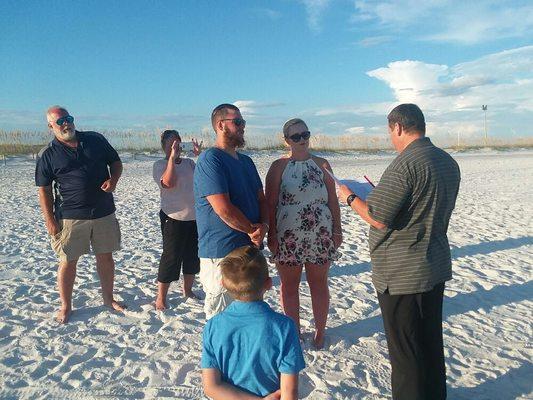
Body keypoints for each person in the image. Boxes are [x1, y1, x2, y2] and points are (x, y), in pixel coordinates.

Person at [338, 104, 461, 400]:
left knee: (406, 353)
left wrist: (350, 196)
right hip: (434, 262)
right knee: (430, 341)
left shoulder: (405, 163)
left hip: (404, 271)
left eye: (389, 132)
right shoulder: (446, 160)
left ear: (398, 128)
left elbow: (377, 216)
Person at [35, 105, 126, 324]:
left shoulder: (95, 139)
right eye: (60, 121)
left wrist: (113, 180)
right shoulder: (48, 154)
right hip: (70, 216)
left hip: (104, 211)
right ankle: (66, 306)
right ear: (51, 126)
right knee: (68, 261)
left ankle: (108, 298)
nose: (66, 123)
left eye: (68, 118)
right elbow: (44, 189)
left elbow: (116, 162)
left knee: (105, 256)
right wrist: (49, 219)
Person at [265, 118, 342, 349]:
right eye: (296, 136)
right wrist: (272, 235)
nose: (302, 140)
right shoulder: (278, 167)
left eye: (305, 134)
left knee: (319, 283)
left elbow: (333, 200)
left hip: (320, 233)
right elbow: (270, 203)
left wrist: (337, 229)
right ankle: (294, 331)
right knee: (289, 286)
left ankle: (320, 331)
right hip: (288, 234)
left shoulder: (323, 164)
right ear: (286, 140)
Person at [194, 103, 268, 319]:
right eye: (237, 122)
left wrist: (264, 226)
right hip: (221, 251)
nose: (242, 126)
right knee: (221, 317)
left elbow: (261, 199)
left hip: (250, 250)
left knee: (249, 313)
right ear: (220, 125)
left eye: (243, 122)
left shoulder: (246, 161)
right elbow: (223, 209)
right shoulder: (211, 159)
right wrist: (252, 231)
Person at [201, 245, 305, 400]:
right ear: (269, 283)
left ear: (223, 284)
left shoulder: (213, 326)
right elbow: (289, 393)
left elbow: (211, 387)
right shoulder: (284, 327)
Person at [152, 130, 203, 310]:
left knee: (192, 256)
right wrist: (172, 158)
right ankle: (161, 297)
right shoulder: (160, 164)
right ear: (164, 146)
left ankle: (187, 290)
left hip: (194, 217)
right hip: (173, 216)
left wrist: (200, 157)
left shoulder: (189, 163)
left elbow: (205, 180)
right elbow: (168, 183)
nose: (176, 147)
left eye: (178, 143)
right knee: (171, 256)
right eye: (171, 144)